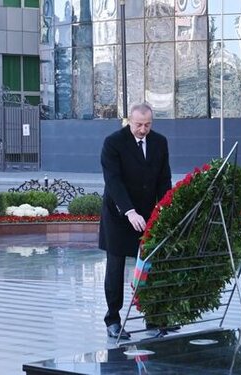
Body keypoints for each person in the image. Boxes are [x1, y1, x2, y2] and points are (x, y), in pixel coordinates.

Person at [99, 102, 172, 339]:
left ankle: (154, 318)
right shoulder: (113, 143)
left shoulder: (160, 142)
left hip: (150, 215)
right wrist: (129, 211)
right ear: (129, 120)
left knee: (152, 265)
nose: (143, 129)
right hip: (120, 215)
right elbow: (113, 181)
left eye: (147, 125)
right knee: (116, 267)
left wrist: (164, 209)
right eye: (139, 125)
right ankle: (113, 319)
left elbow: (164, 179)